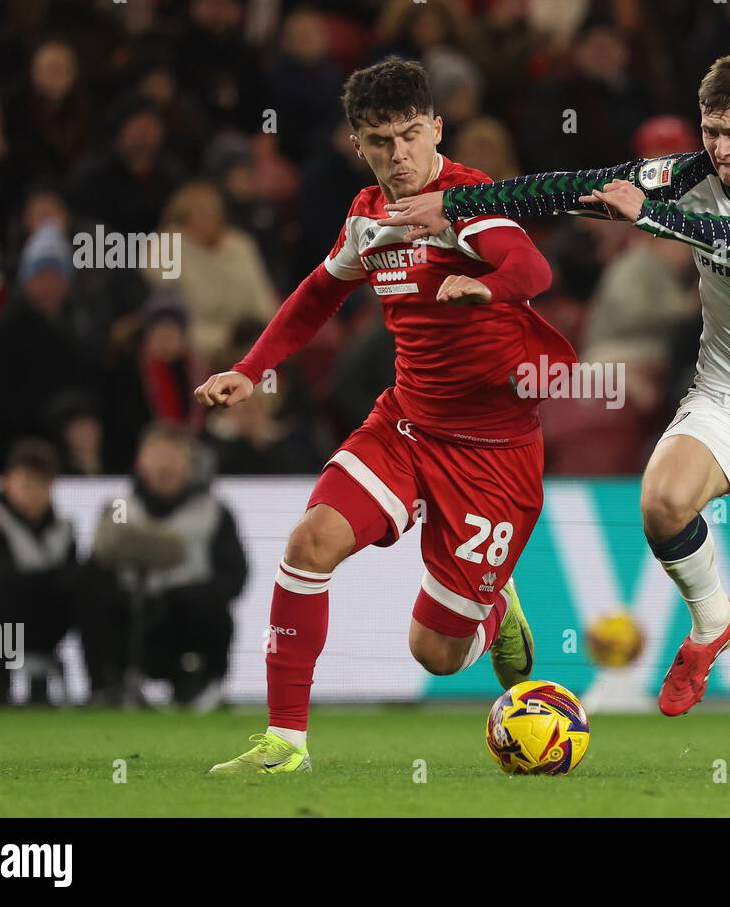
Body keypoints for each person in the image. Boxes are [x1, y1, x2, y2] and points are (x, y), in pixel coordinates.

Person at [383, 50, 730, 771]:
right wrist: (458, 205)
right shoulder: (687, 175)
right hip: (729, 393)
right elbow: (571, 187)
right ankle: (714, 620)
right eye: (711, 130)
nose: (720, 148)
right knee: (661, 502)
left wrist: (651, 217)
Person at [195, 57, 576, 774]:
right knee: (310, 543)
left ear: (436, 129)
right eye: (380, 142)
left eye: (409, 136)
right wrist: (250, 370)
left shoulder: (467, 201)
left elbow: (533, 269)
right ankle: (285, 744)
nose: (399, 157)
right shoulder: (368, 215)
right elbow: (317, 292)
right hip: (406, 424)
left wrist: (486, 288)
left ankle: (496, 613)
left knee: (435, 655)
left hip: (493, 456)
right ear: (358, 145)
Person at [85, 424, 247, 708]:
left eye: (173, 458)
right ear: (140, 462)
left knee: (211, 608)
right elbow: (97, 566)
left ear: (189, 464)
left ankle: (201, 683)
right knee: (90, 592)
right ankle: (107, 684)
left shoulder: (213, 511)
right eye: (157, 457)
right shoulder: (119, 508)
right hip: (130, 617)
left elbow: (234, 576)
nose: (165, 467)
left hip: (185, 618)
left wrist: (190, 594)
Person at [0, 439, 79, 705]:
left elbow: (72, 579)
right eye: (26, 483)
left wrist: (41, 581)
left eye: (41, 484)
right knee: (3, 594)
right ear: (7, 482)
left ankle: (96, 686)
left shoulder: (64, 528)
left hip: (45, 623)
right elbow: (4, 576)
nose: (32, 492)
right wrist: (49, 579)